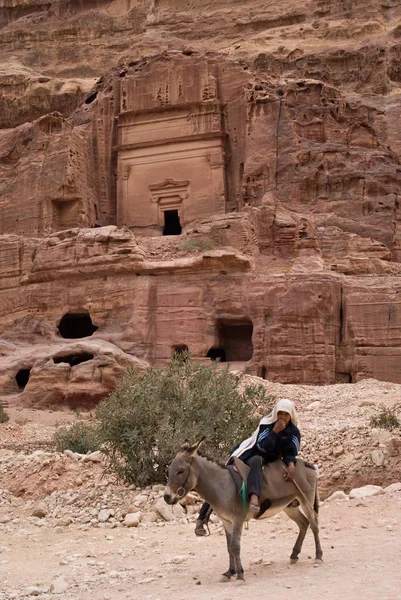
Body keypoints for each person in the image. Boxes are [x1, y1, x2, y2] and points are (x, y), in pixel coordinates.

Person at [194, 398, 300, 536]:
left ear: (291, 415)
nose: (282, 417)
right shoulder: (267, 424)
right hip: (253, 452)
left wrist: (291, 463)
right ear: (276, 413)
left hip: (274, 458)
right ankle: (203, 518)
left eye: (286, 414)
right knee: (232, 473)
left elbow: (290, 451)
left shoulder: (294, 432)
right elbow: (262, 445)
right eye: (280, 414)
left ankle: (288, 501)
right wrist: (274, 431)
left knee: (289, 474)